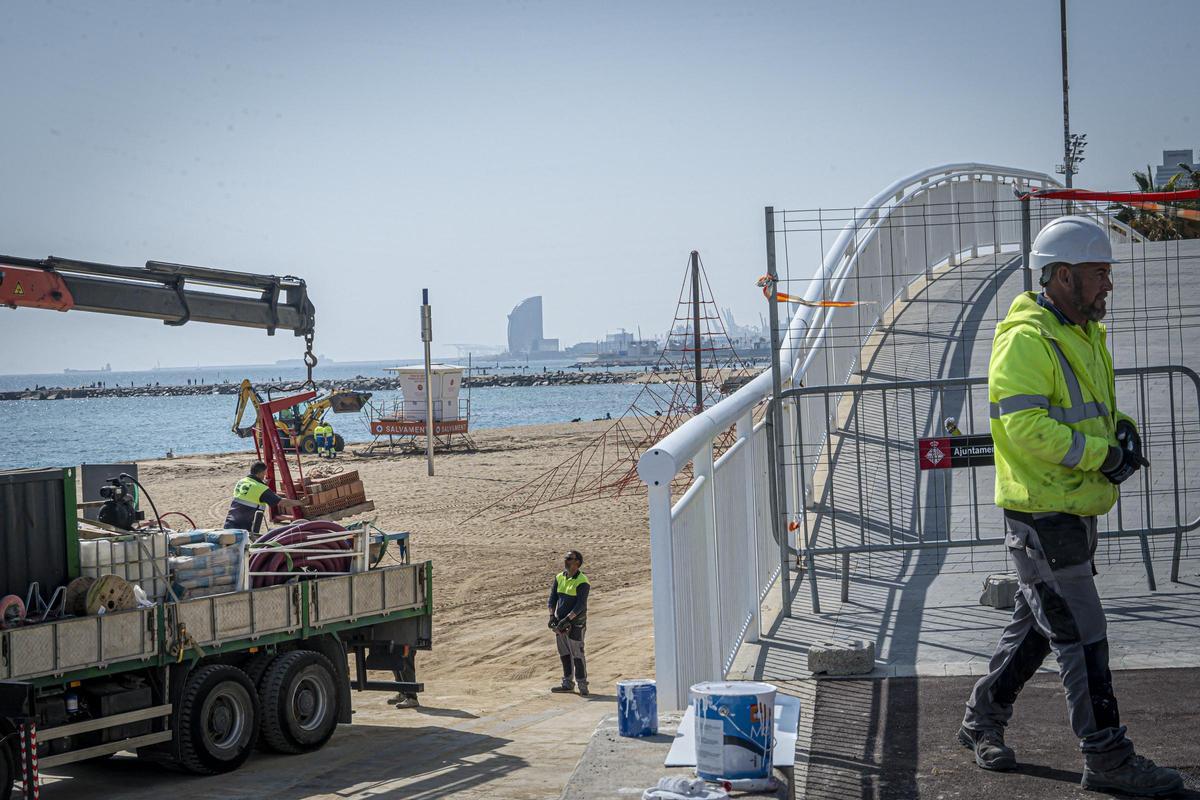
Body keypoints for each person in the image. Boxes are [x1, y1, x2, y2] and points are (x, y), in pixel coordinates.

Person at [959, 216, 1181, 796]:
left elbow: (1088, 408)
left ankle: (982, 717)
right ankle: (1105, 755)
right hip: (1041, 513)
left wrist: (1122, 435)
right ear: (1062, 276)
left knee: (1041, 622)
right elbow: (1024, 424)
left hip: (1071, 506)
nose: (1108, 285)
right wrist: (1099, 455)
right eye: (1098, 274)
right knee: (1082, 630)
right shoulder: (1027, 338)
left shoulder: (1081, 331)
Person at [548, 550, 590, 696]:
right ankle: (567, 683)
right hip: (561, 623)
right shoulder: (559, 577)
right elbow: (552, 599)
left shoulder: (582, 581)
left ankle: (582, 684)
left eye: (569, 558)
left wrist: (567, 619)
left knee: (577, 653)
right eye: (566, 558)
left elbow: (581, 606)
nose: (566, 560)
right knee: (564, 653)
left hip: (576, 623)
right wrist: (552, 616)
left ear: (577, 562)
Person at [223, 461, 301, 534]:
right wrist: (301, 502)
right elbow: (282, 503)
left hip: (230, 522)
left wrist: (262, 485)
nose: (265, 476)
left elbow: (250, 493)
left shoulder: (241, 481)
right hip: (245, 527)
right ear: (260, 473)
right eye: (264, 474)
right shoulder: (261, 488)